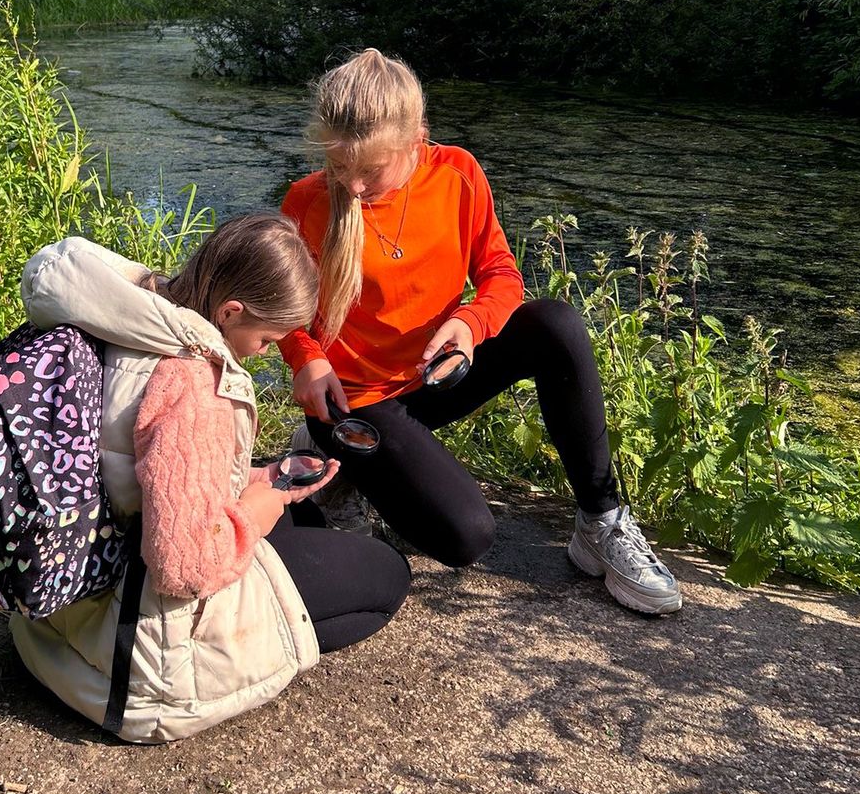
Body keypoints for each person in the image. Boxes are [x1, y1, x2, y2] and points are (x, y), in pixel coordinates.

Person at [278, 49, 682, 615]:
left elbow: (500, 276)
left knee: (555, 323)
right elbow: (283, 308)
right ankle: (336, 454)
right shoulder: (307, 200)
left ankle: (601, 519)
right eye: (342, 166)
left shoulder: (457, 173)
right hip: (357, 401)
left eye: (370, 170)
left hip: (436, 375)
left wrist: (470, 324)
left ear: (416, 139)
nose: (355, 184)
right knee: (467, 537)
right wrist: (305, 357)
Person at [9, 213, 411, 743]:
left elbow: (133, 462)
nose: (263, 352)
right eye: (266, 338)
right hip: (135, 662)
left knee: (309, 519)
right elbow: (183, 569)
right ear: (231, 311)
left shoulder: (119, 314)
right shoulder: (192, 381)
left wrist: (254, 477)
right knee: (387, 575)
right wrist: (256, 510)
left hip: (55, 610)